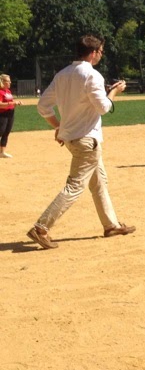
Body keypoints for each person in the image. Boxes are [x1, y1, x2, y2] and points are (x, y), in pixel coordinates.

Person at [27, 35, 135, 250]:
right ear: (93, 53)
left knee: (99, 181)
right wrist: (114, 92)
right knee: (75, 185)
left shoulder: (62, 74)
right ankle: (41, 228)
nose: (101, 55)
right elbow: (103, 107)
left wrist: (58, 126)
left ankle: (111, 225)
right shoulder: (92, 75)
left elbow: (43, 106)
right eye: (101, 51)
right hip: (87, 140)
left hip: (72, 139)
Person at [0, 73, 19, 158]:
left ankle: (2, 152)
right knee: (1, 131)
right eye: (8, 81)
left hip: (10, 113)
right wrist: (10, 103)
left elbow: (11, 102)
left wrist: (15, 103)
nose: (10, 82)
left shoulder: (8, 91)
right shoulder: (0, 92)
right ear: (2, 82)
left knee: (6, 132)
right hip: (2, 114)